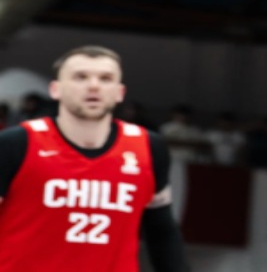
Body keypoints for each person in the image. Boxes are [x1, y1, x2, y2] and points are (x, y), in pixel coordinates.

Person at [0, 46, 188, 272]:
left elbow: (161, 230)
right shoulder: (16, 142)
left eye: (106, 78)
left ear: (120, 92)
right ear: (55, 89)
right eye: (80, 77)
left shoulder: (148, 146)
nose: (94, 86)